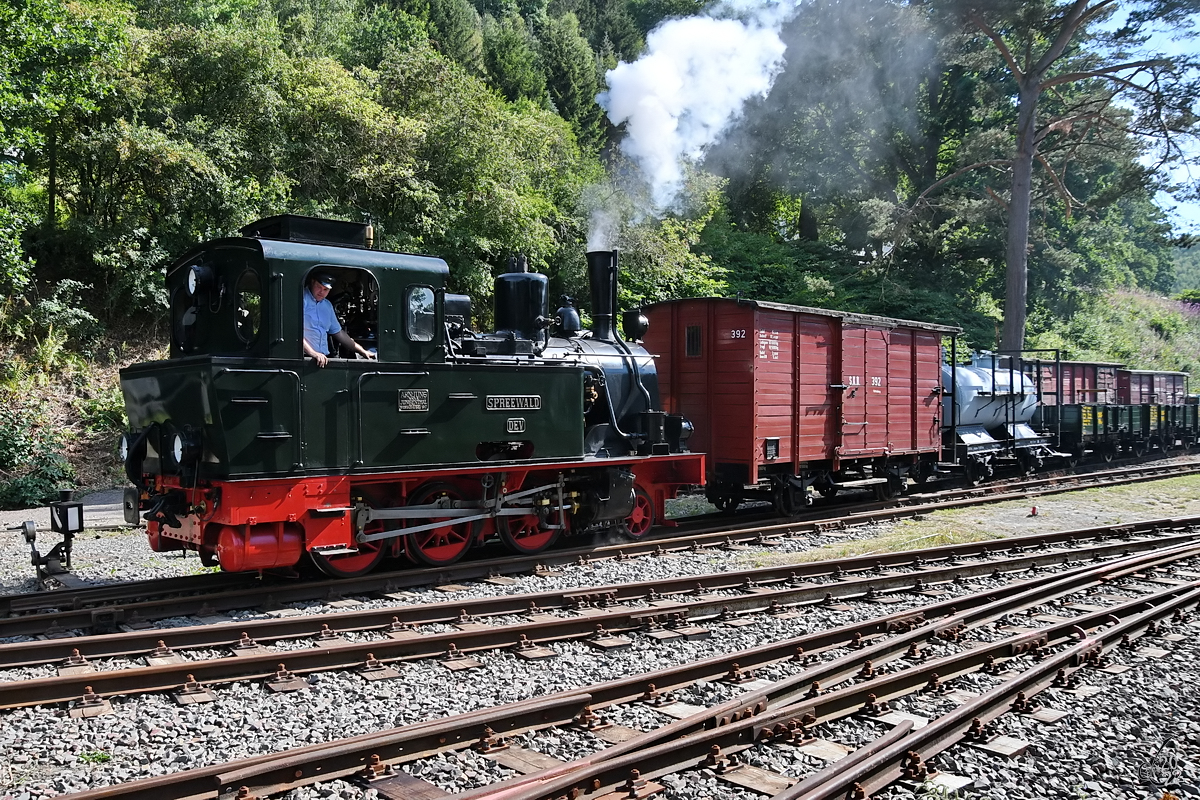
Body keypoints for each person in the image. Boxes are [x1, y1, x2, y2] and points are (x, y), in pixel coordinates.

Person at [303, 273, 377, 367]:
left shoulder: (327, 306)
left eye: (325, 289)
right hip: (305, 359)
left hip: (323, 359)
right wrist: (313, 353)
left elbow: (339, 333)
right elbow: (293, 333)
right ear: (312, 282)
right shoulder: (301, 300)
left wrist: (362, 351)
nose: (321, 292)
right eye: (319, 287)